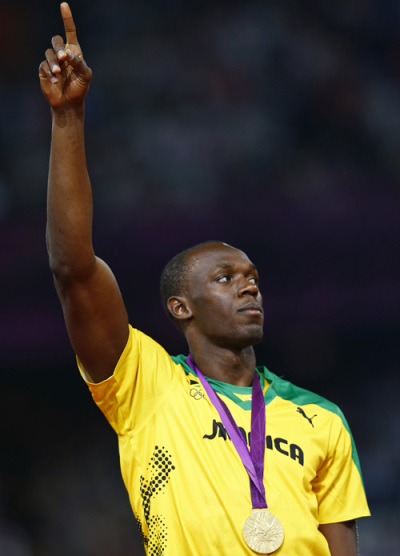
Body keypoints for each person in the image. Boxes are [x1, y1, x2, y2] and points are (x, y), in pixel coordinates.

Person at [39, 4, 370, 555]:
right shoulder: (145, 387)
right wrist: (68, 119)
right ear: (180, 307)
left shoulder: (321, 418)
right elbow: (73, 268)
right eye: (225, 277)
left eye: (252, 277)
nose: (248, 287)